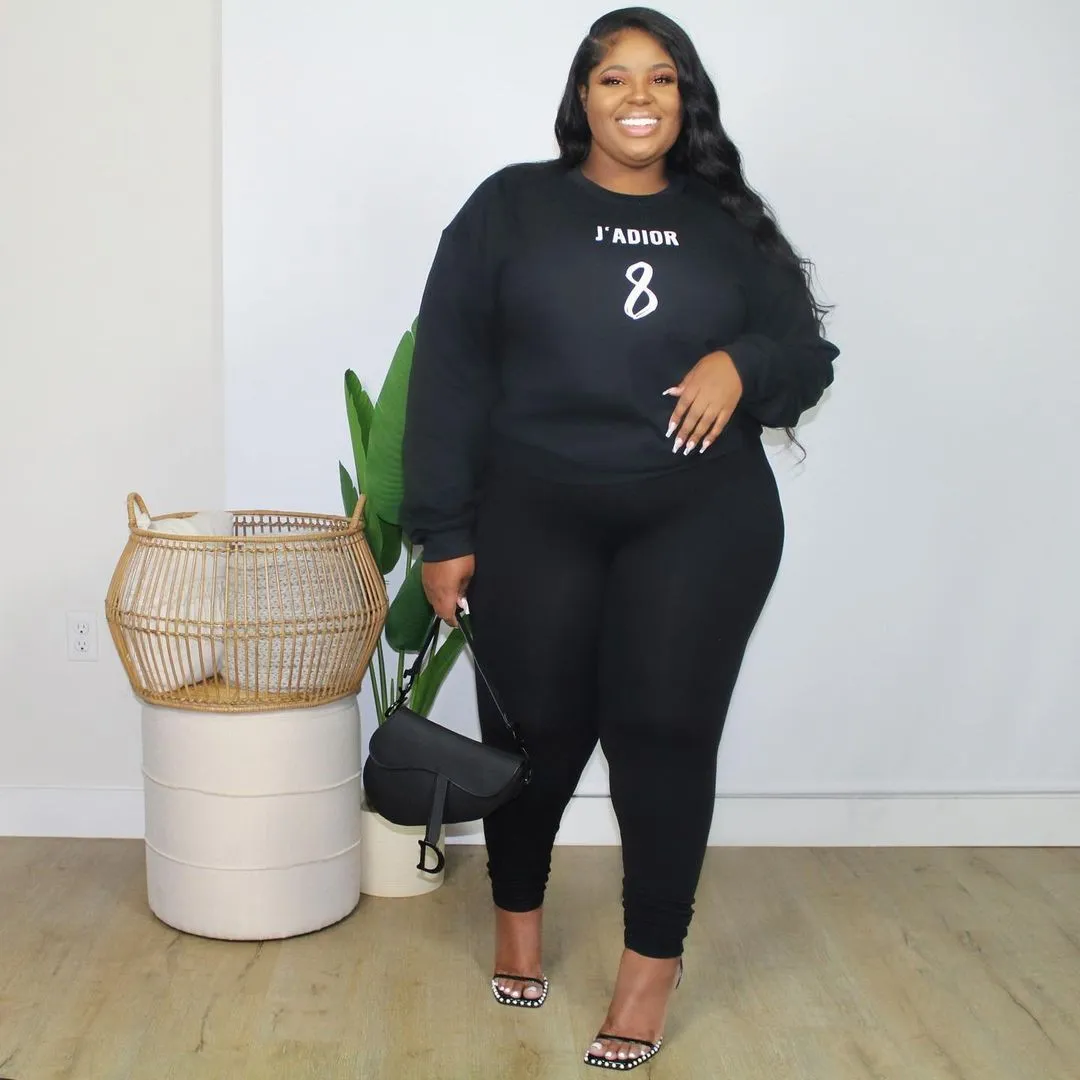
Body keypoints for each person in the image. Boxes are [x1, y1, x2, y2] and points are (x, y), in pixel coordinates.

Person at [400, 6, 839, 1070]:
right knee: (533, 737)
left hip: (699, 520)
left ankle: (651, 967)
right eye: (614, 78)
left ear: (686, 100)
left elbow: (806, 357)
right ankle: (517, 918)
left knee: (664, 734)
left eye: (661, 78)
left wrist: (742, 363)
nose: (639, 97)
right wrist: (442, 531)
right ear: (582, 98)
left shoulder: (728, 222)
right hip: (532, 514)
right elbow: (448, 372)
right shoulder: (511, 207)